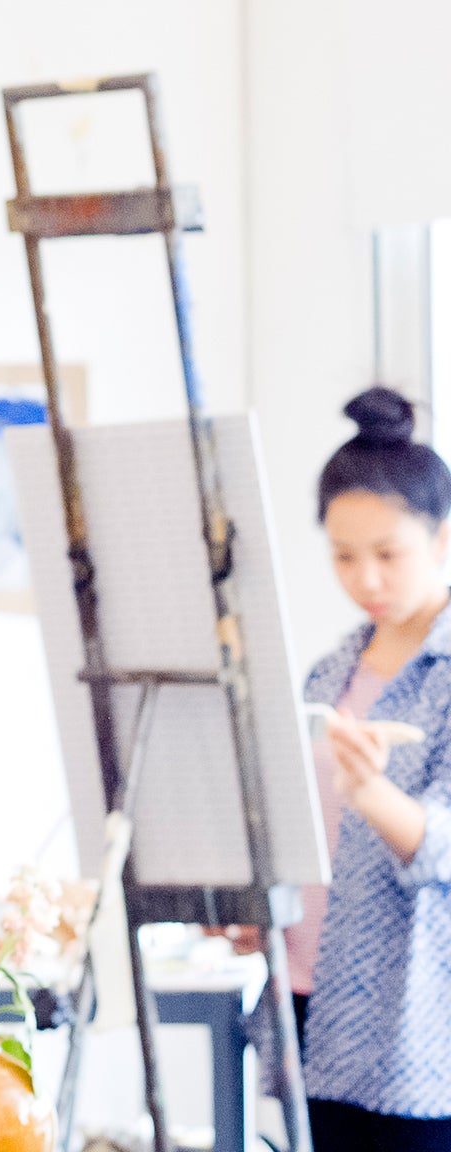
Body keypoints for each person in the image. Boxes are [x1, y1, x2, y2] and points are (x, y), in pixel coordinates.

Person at [300, 385, 451, 1148]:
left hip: (417, 1016)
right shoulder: (329, 672)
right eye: (343, 557)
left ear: (443, 540)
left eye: (388, 555)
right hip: (312, 996)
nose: (366, 580)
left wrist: (371, 791)